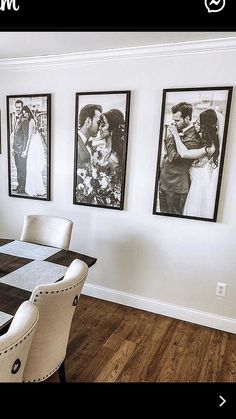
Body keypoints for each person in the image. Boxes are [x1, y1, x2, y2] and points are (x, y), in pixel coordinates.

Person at [169, 108, 220, 218]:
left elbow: (184, 153)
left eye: (198, 123)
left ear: (205, 127)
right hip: (191, 180)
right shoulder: (204, 140)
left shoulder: (210, 148)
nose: (195, 125)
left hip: (199, 183)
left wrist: (175, 135)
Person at [158, 102, 202, 215]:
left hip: (177, 187)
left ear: (187, 118)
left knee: (173, 220)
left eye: (177, 120)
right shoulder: (176, 129)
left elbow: (174, 157)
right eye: (173, 119)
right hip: (164, 182)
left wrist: (173, 136)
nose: (173, 123)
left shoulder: (194, 137)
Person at [21, 106, 46, 197]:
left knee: (31, 166)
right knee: (34, 167)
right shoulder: (34, 120)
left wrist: (25, 150)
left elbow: (29, 137)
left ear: (29, 112)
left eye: (26, 113)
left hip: (32, 146)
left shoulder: (31, 122)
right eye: (24, 114)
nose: (25, 115)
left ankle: (32, 189)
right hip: (35, 145)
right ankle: (37, 187)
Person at [12, 99, 29, 194]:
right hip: (16, 149)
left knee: (22, 169)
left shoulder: (24, 120)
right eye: (17, 107)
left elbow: (26, 136)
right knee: (18, 168)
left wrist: (24, 150)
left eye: (19, 107)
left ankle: (22, 187)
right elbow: (15, 135)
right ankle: (19, 185)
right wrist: (13, 148)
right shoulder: (17, 119)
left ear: (22, 107)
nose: (18, 109)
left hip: (21, 150)